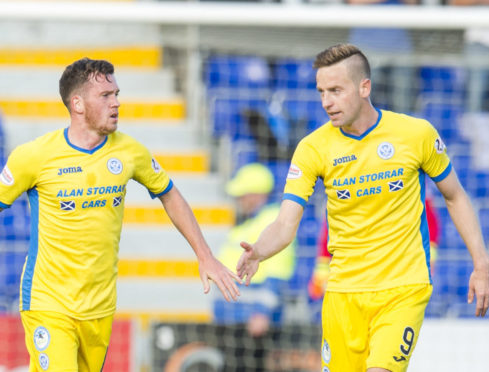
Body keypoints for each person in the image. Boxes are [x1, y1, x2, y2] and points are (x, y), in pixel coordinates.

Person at [237, 44, 489, 372]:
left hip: (403, 288)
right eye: (321, 92)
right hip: (343, 295)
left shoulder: (416, 135)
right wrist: (259, 250)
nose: (327, 101)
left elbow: (455, 196)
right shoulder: (312, 148)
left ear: (364, 87)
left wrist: (481, 264)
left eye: (336, 90)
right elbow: (285, 224)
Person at [0, 58, 240, 372]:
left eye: (116, 93)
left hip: (99, 307)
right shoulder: (34, 156)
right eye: (105, 96)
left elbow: (170, 194)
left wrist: (204, 254)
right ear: (78, 104)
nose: (117, 103)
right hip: (49, 303)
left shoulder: (130, 151)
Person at [213, 163, 296, 372]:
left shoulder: (273, 223)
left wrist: (262, 312)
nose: (238, 200)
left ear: (257, 195)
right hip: (234, 319)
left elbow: (278, 272)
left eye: (243, 194)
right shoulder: (246, 223)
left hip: (252, 322)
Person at [308, 195, 441, 301]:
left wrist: (428, 256)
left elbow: (429, 218)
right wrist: (322, 268)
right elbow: (332, 223)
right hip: (355, 273)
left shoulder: (406, 176)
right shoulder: (347, 178)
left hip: (392, 270)